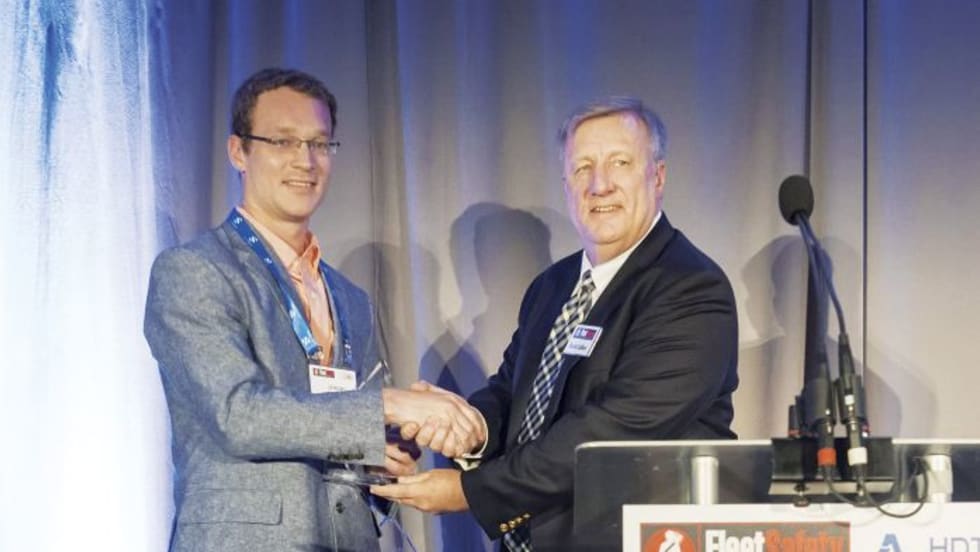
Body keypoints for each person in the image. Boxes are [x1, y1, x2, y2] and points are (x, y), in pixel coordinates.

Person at [372, 97, 739, 550]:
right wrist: (471, 428)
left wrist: (470, 492)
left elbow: (610, 434)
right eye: (583, 168)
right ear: (566, 185)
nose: (599, 185)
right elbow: (513, 395)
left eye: (620, 163)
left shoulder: (690, 289)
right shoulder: (552, 286)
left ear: (657, 176)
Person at [144, 67, 483, 552]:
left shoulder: (350, 298)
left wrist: (384, 450)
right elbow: (238, 415)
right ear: (239, 151)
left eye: (319, 144)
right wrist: (390, 405)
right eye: (283, 141)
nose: (305, 160)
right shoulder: (194, 271)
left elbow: (348, 424)